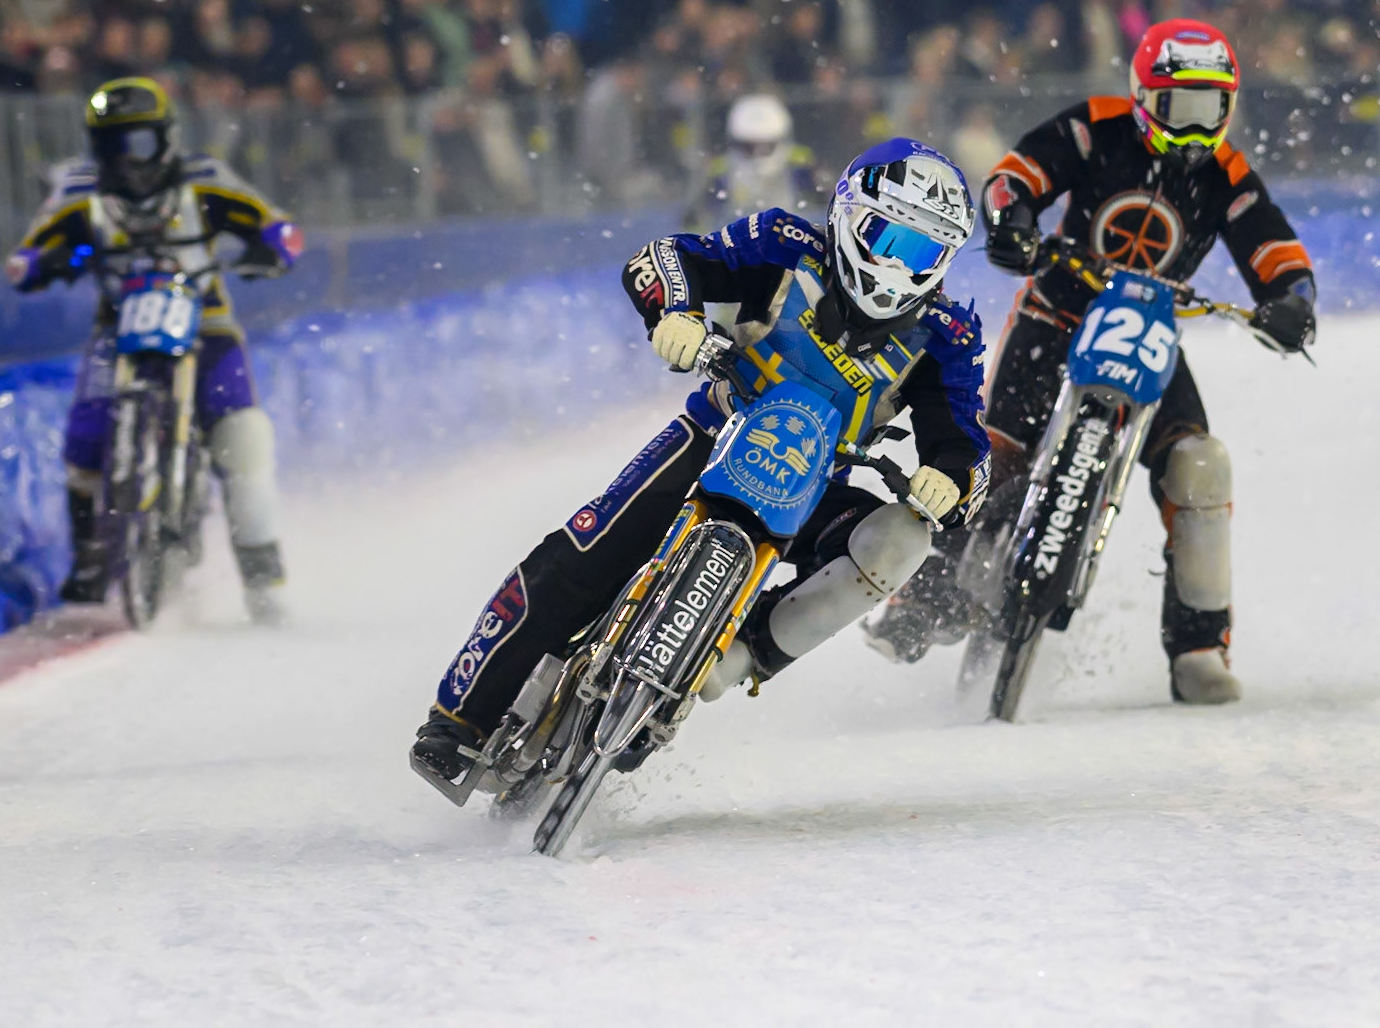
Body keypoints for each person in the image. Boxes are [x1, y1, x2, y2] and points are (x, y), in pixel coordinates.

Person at [413, 138, 993, 780]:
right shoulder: (781, 243)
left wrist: (951, 480)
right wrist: (675, 313)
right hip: (714, 430)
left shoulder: (948, 338)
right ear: (849, 215)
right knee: (586, 550)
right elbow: (667, 258)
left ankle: (741, 654)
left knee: (901, 539)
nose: (896, 265)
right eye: (888, 238)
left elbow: (965, 440)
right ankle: (459, 718)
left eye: (922, 252)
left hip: (818, 483)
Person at [865, 20, 1317, 705]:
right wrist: (1012, 220)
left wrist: (1291, 299)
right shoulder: (1095, 127)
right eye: (1178, 111)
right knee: (992, 452)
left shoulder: (1230, 177)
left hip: (1149, 335)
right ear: (1143, 98)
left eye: (1210, 112)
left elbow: (1274, 248)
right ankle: (921, 600)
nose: (1195, 132)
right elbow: (1020, 174)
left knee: (1199, 466)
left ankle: (1200, 646)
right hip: (1056, 312)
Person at [5, 78, 303, 623]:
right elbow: (31, 249)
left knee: (243, 440)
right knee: (84, 447)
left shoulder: (205, 178)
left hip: (206, 326)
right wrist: (37, 264)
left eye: (138, 142)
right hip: (118, 331)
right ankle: (91, 558)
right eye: (114, 144)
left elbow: (270, 220)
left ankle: (263, 577)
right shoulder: (79, 188)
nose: (128, 158)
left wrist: (275, 244)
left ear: (164, 139)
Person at [685, 92, 819, 232]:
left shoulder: (799, 162)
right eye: (750, 147)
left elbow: (824, 203)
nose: (758, 154)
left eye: (766, 146)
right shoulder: (722, 169)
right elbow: (699, 215)